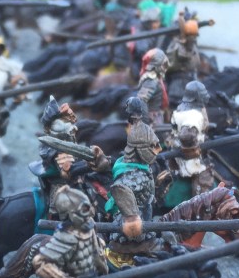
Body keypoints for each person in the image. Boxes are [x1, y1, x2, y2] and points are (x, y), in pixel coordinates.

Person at [104, 100, 162, 265]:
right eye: (153, 146)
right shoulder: (133, 176)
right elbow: (120, 191)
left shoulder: (141, 167)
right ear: (140, 149)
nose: (158, 150)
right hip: (132, 231)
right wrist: (134, 220)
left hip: (145, 218)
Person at [32, 97, 109, 220]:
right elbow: (68, 171)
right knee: (85, 212)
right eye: (60, 122)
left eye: (66, 121)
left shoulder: (67, 138)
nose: (69, 125)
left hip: (79, 177)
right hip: (65, 185)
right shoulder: (57, 150)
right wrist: (89, 165)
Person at [166, 80, 215, 197]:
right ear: (197, 96)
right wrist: (195, 147)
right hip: (188, 158)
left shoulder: (181, 108)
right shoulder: (193, 115)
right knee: (204, 179)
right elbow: (186, 135)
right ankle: (200, 204)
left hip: (177, 149)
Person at [135, 47, 168, 126]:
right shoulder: (151, 80)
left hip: (156, 117)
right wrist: (145, 122)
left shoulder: (156, 78)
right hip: (152, 120)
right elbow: (141, 100)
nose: (165, 67)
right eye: (163, 64)